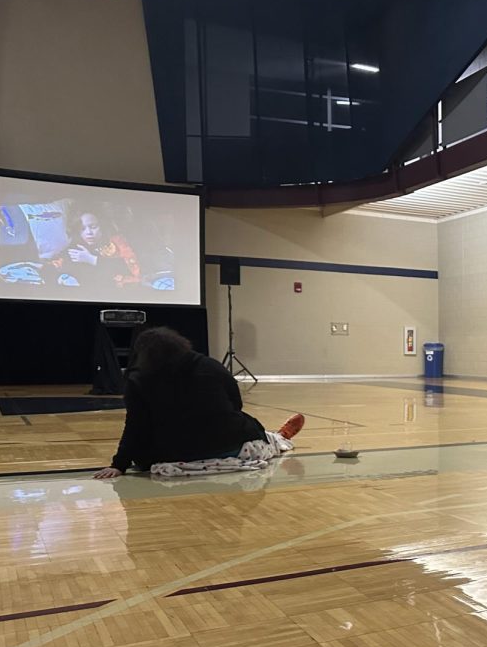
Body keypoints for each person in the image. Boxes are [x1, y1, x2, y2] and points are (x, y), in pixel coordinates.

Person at [94, 327, 304, 479]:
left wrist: (119, 465)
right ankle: (280, 437)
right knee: (257, 435)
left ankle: (278, 437)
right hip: (228, 446)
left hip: (174, 453)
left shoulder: (138, 380)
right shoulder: (209, 365)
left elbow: (135, 426)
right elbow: (236, 404)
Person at [52, 203, 142, 290]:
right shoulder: (74, 248)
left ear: (102, 225)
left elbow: (130, 268)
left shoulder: (116, 243)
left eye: (93, 227)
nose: (89, 232)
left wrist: (91, 259)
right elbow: (60, 268)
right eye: (83, 229)